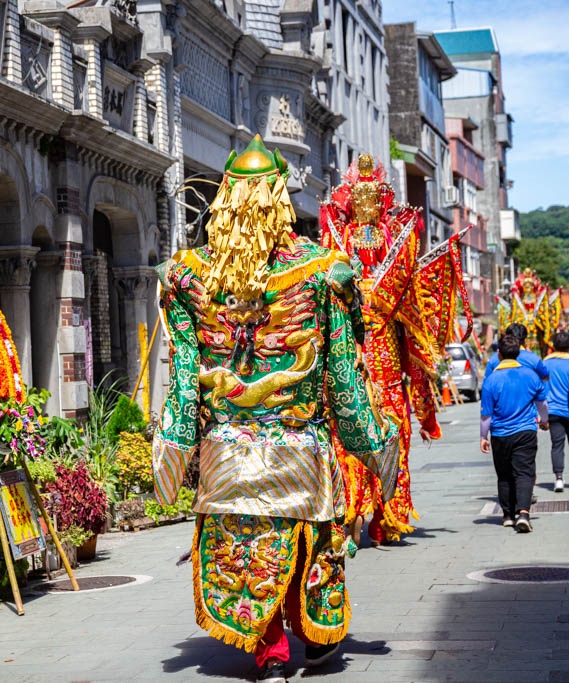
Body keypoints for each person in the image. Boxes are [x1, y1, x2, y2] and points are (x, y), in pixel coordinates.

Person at [152, 136, 398, 683]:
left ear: (225, 198)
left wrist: (173, 447)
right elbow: (344, 379)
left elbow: (185, 378)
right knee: (305, 541)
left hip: (225, 450)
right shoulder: (323, 271)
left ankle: (269, 650)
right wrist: (375, 443)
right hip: (299, 445)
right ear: (280, 199)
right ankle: (312, 637)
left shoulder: (187, 276)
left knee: (244, 551)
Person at [319, 153, 447, 546]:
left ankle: (387, 516)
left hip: (386, 364)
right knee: (346, 439)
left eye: (373, 199)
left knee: (391, 434)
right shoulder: (338, 244)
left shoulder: (396, 246)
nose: (367, 207)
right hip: (352, 362)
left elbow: (410, 304)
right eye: (360, 199)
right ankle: (352, 513)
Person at [480, 334, 549, 533]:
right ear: (518, 353)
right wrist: (544, 420)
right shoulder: (531, 375)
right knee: (524, 473)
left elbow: (486, 415)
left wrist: (483, 436)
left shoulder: (491, 380)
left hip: (500, 434)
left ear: (499, 354)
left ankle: (508, 516)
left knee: (504, 475)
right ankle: (524, 513)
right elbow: (542, 403)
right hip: (526, 431)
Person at [544, 331, 569, 492]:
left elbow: (541, 390)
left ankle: (559, 478)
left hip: (553, 410)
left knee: (557, 445)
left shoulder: (546, 363)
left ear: (553, 346)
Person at [484, 322, 548, 381]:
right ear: (525, 340)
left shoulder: (495, 358)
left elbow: (487, 381)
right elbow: (545, 376)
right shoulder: (533, 358)